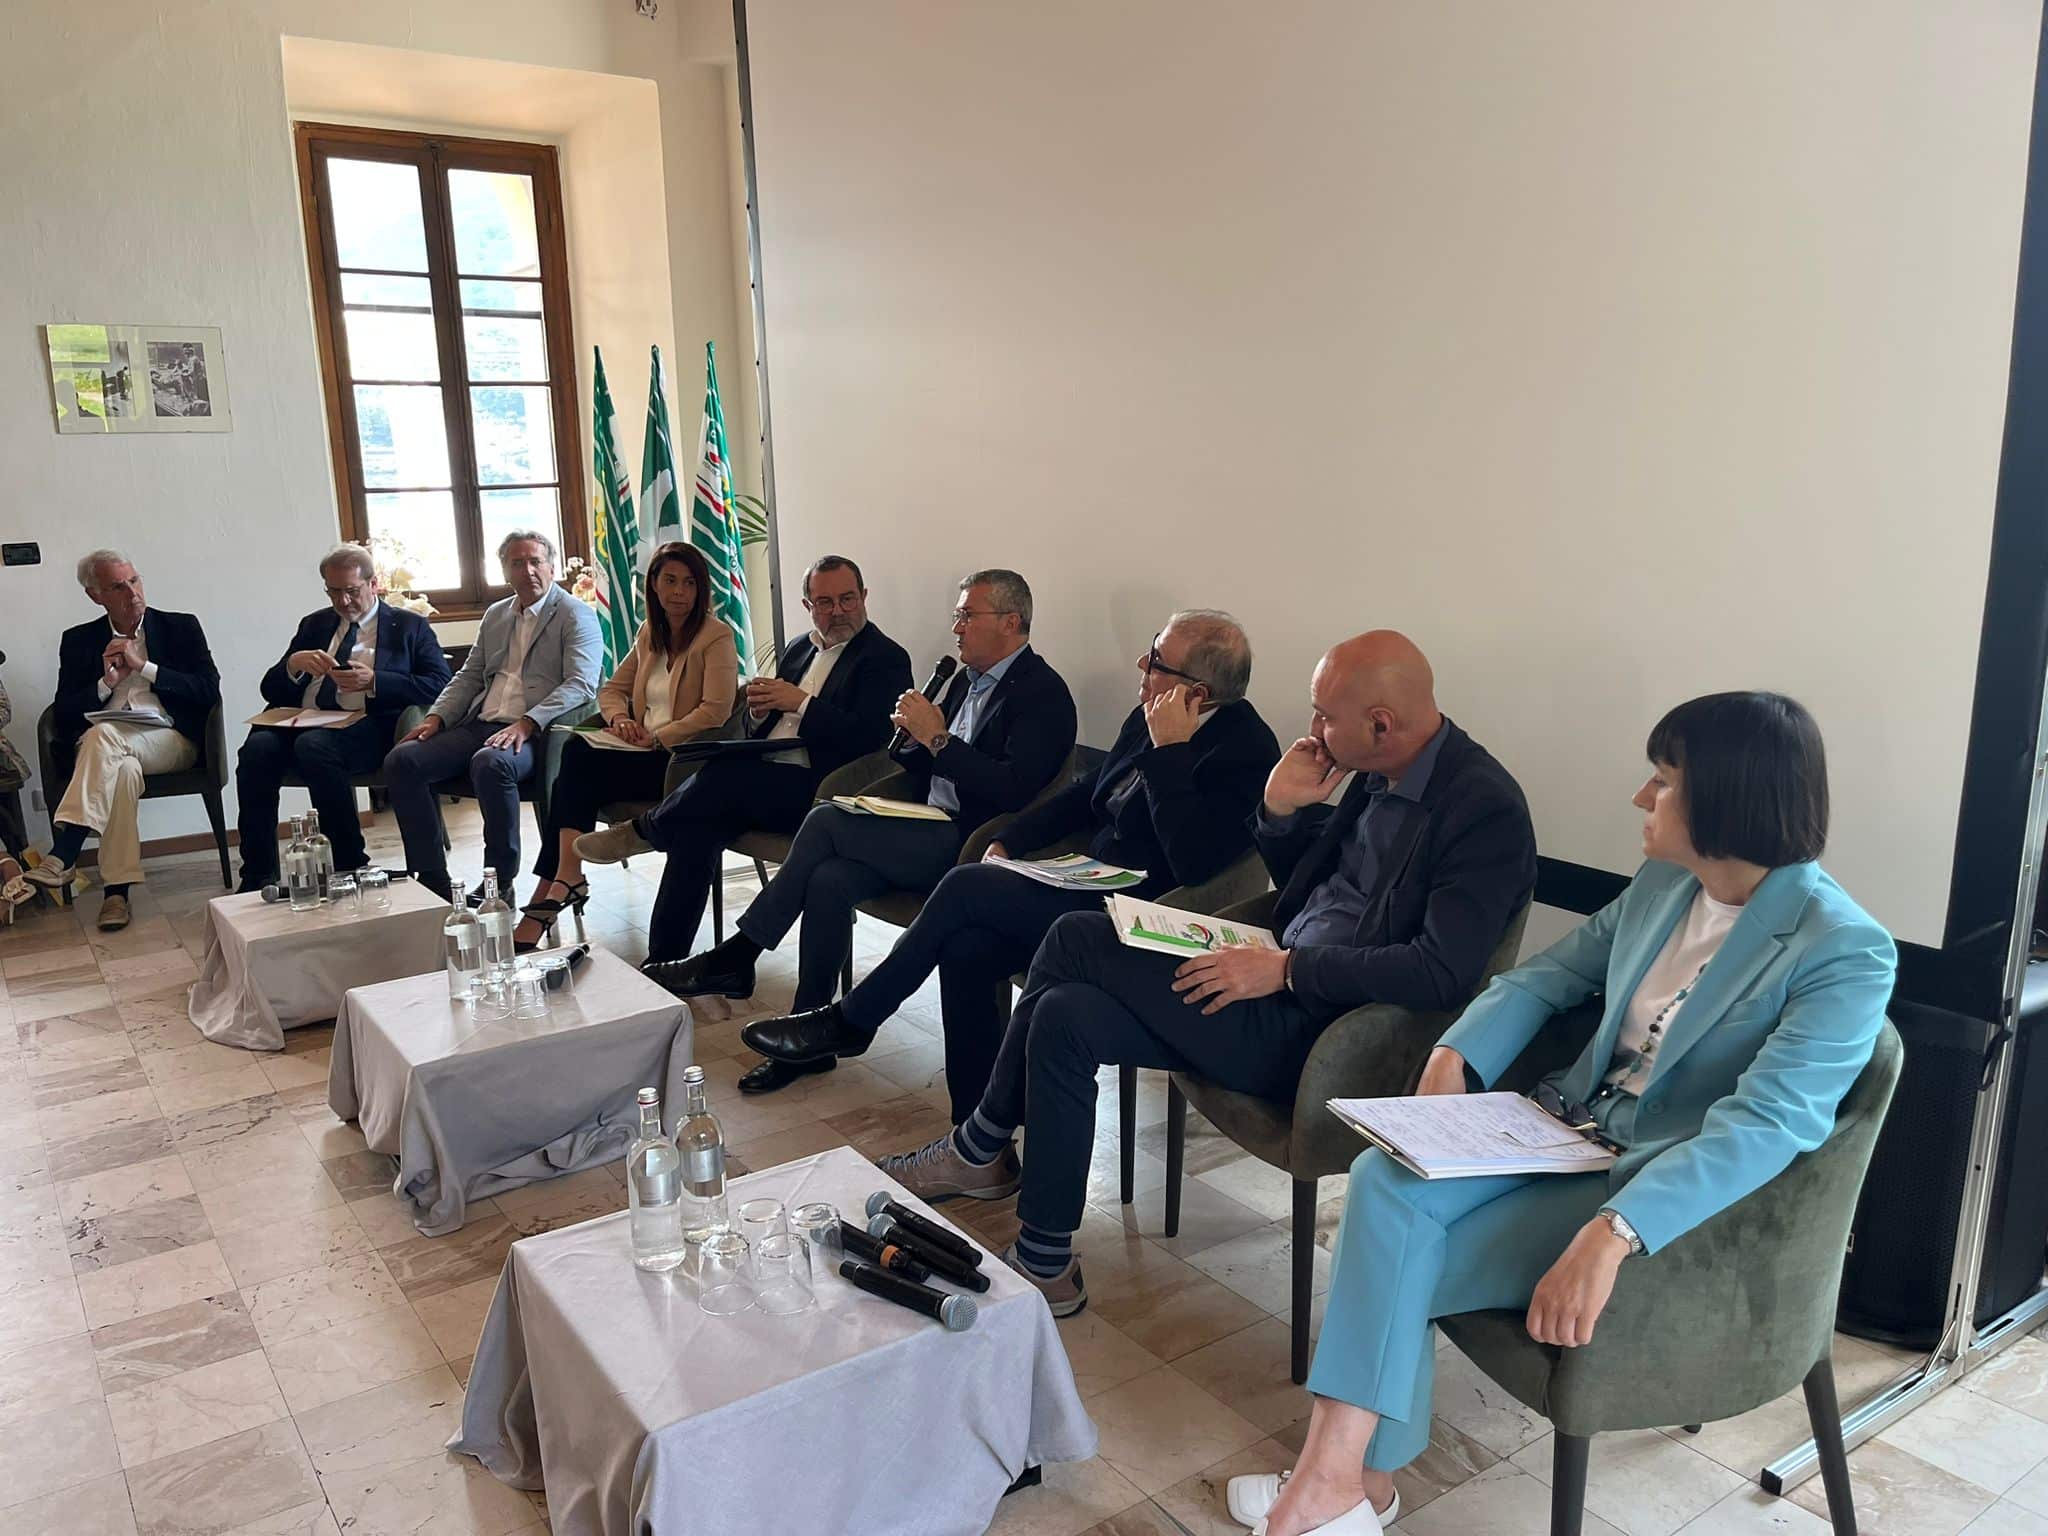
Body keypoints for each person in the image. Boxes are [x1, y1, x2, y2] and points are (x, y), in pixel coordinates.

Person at [1239, 692, 1896, 1536]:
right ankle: (1347, 1485)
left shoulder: (1843, 948)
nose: (1640, 796)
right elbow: (1544, 978)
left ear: (1728, 800)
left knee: (1393, 1253)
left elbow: (1768, 1124)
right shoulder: (1667, 884)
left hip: (1653, 1184)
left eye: (1663, 780)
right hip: (1562, 1129)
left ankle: (1341, 1485)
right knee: (1381, 1178)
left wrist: (1615, 1232)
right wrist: (1453, 1057)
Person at [875, 630, 1537, 1318]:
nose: (1313, 729)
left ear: (1381, 724)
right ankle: (1045, 1260)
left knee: (1074, 936)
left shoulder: (1481, 809)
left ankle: (980, 1146)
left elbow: (1440, 972)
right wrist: (1280, 812)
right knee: (1063, 1014)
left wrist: (1287, 971)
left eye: (1324, 716)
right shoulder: (1376, 772)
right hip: (1266, 972)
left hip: (1326, 1035)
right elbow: (1313, 895)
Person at [741, 610, 1280, 1112]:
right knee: (966, 949)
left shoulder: (1246, 749)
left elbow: (1193, 862)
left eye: (1156, 660)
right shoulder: (1149, 714)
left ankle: (854, 1019)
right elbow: (1087, 794)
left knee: (964, 886)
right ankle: (976, 1129)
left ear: (1197, 691)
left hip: (1143, 912)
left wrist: (1172, 755)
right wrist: (1011, 839)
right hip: (1087, 879)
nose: (1142, 663)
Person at [636, 569, 1078, 1089]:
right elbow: (926, 765)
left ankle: (740, 953)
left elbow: (1011, 790)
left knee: (825, 818)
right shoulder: (963, 679)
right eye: (957, 615)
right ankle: (806, 1036)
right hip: (921, 820)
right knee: (830, 879)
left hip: (969, 842)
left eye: (966, 615)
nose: (956, 627)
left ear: (1010, 621)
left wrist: (937, 740)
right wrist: (913, 740)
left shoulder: (1043, 693)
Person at [571, 553, 913, 968]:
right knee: (696, 826)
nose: (838, 611)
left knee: (722, 777)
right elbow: (762, 728)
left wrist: (801, 703)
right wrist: (755, 713)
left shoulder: (884, 657)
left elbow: (870, 739)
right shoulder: (798, 649)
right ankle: (663, 962)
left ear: (864, 596)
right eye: (825, 602)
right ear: (807, 605)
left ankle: (646, 830)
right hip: (763, 777)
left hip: (820, 786)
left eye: (847, 599)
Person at [512, 542, 738, 950]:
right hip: (640, 754)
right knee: (575, 762)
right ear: (654, 585)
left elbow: (716, 711)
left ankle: (558, 885)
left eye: (689, 583)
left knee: (574, 767)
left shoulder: (716, 636)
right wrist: (620, 721)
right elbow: (612, 690)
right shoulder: (651, 632)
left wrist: (659, 737)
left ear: (700, 589)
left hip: (680, 762)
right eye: (670, 581)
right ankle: (565, 877)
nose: (679, 592)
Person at [381, 529, 602, 903]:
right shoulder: (496, 614)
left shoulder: (575, 614)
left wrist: (528, 722)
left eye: (535, 561)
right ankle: (432, 876)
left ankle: (499, 883)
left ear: (551, 567)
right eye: (518, 563)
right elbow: (468, 676)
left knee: (491, 763)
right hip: (481, 722)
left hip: (537, 732)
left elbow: (581, 684)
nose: (528, 570)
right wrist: (436, 718)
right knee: (403, 760)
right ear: (505, 571)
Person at [235, 543, 451, 893]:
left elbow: (440, 683)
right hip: (305, 719)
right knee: (256, 749)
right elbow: (269, 688)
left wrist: (376, 681)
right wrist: (293, 665)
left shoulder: (408, 626)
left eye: (351, 590)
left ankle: (349, 862)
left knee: (314, 746)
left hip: (368, 727)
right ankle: (258, 872)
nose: (343, 601)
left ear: (373, 584)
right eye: (333, 592)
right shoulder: (315, 624)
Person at [27, 549, 221, 932]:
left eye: (134, 580)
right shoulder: (79, 640)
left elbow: (207, 689)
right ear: (95, 595)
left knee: (104, 738)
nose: (132, 593)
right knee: (122, 768)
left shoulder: (180, 627)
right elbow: (64, 713)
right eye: (118, 587)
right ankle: (116, 894)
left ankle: (66, 849)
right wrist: (106, 683)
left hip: (169, 740)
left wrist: (144, 668)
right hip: (108, 747)